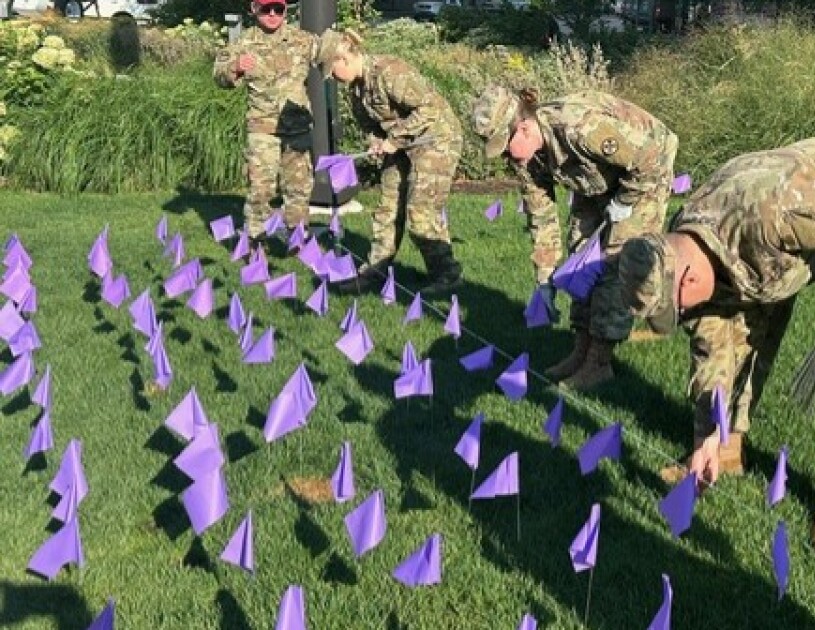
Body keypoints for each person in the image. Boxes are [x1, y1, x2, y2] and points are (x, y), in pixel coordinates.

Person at [617, 134, 815, 554]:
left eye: (675, 308)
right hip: (774, 248)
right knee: (729, 327)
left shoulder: (783, 215)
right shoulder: (688, 236)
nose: (679, 318)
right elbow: (713, 343)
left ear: (688, 278)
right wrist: (711, 432)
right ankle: (726, 449)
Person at [470, 85, 678, 390]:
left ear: (525, 128)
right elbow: (541, 217)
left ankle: (599, 362)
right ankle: (581, 348)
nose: (505, 156)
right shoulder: (528, 158)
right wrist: (545, 281)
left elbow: (648, 157)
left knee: (613, 263)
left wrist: (625, 201)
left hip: (644, 173)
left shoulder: (580, 128)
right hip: (595, 180)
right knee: (581, 258)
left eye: (505, 145)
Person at [314, 29, 464, 294]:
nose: (334, 79)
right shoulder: (357, 90)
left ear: (343, 60)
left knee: (421, 213)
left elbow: (430, 107)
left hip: (435, 141)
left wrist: (394, 138)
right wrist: (376, 141)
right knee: (388, 208)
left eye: (332, 71)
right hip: (402, 146)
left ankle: (447, 275)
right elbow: (372, 125)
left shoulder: (389, 72)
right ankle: (375, 272)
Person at [213, 0, 317, 239]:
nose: (272, 14)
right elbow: (219, 76)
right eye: (266, 9)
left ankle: (299, 241)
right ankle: (255, 242)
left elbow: (331, 53)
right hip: (263, 129)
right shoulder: (243, 42)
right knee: (260, 190)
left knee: (299, 190)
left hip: (298, 129)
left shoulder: (302, 40)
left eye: (278, 9)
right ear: (254, 9)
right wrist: (235, 67)